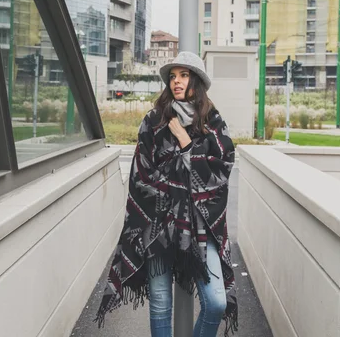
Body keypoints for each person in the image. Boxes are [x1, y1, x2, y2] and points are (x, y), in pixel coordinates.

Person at [96, 51, 238, 336]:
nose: (176, 82)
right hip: (158, 226)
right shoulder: (154, 121)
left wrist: (187, 146)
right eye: (173, 76)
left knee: (216, 303)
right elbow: (141, 174)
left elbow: (222, 170)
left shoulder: (213, 122)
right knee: (160, 305)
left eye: (184, 75)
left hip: (200, 228)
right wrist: (174, 192)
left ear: (196, 81)